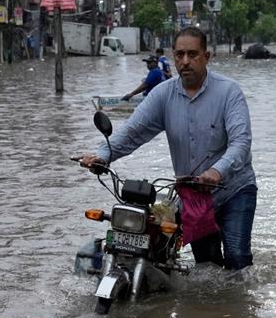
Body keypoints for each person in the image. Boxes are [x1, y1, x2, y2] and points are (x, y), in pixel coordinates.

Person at [80, 26, 257, 270]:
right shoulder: (163, 95)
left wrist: (217, 172)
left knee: (237, 257)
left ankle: (240, 304)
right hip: (194, 197)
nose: (185, 61)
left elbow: (241, 143)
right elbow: (133, 132)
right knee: (208, 267)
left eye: (193, 55)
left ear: (206, 57)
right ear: (173, 56)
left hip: (234, 189)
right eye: (179, 55)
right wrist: (102, 156)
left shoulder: (229, 92)